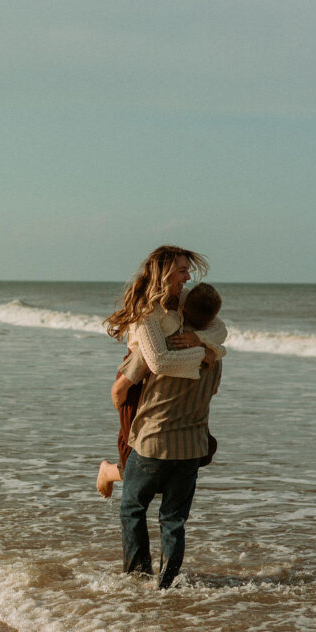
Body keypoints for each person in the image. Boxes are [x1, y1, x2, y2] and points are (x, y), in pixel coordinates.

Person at [103, 245, 225, 588]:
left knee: (132, 507)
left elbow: (132, 380)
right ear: (165, 275)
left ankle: (136, 578)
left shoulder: (168, 342)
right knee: (173, 520)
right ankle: (166, 587)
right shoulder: (213, 356)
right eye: (183, 271)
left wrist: (128, 417)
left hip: (155, 439)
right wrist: (204, 350)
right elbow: (211, 383)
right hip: (192, 445)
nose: (188, 277)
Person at [96, 281, 225, 498]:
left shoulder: (210, 347)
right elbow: (121, 388)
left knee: (190, 459)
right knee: (138, 468)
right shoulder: (158, 334)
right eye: (182, 272)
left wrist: (203, 347)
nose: (186, 278)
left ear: (183, 309)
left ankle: (113, 472)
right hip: (137, 385)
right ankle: (108, 471)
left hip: (171, 413)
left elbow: (220, 332)